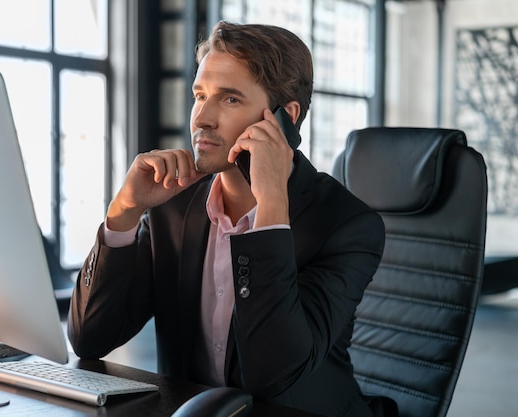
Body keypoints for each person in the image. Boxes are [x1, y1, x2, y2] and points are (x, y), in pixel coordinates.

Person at [68, 20, 386, 417]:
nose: (202, 118)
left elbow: (273, 375)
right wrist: (124, 213)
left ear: (285, 118)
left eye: (230, 99)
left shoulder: (347, 225)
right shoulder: (175, 204)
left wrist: (270, 210)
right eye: (199, 95)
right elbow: (89, 338)